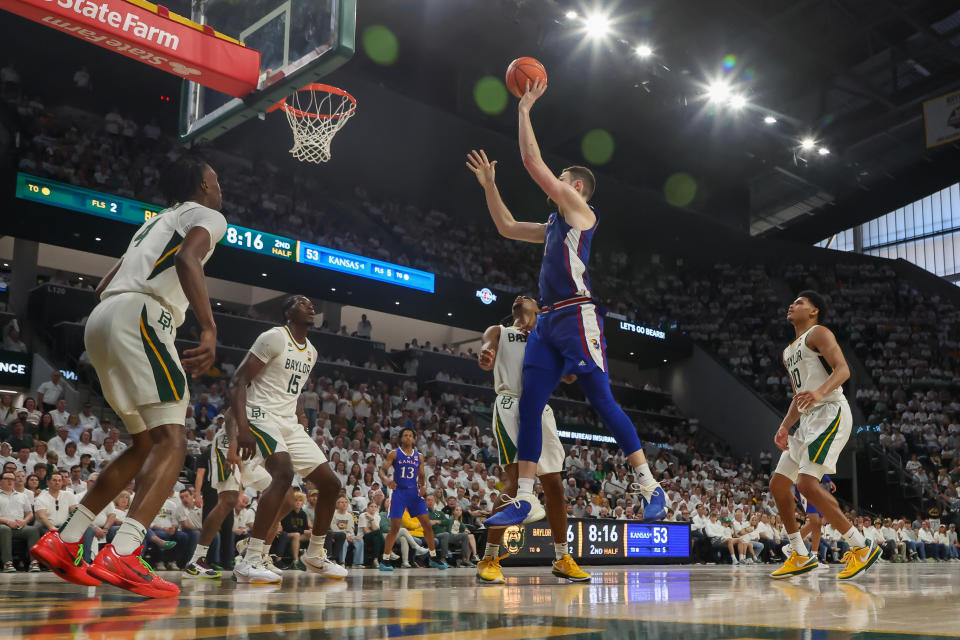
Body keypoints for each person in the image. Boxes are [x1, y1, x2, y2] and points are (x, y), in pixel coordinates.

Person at [468, 79, 665, 528]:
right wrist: (489, 186)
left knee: (601, 399)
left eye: (561, 179)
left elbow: (533, 161)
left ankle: (650, 484)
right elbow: (507, 227)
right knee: (530, 405)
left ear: (575, 185)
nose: (553, 182)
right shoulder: (554, 222)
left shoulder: (580, 213)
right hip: (548, 321)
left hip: (578, 313)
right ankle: (524, 497)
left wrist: (524, 111)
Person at [30, 155, 226, 598]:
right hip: (141, 316)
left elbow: (102, 286)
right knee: (174, 440)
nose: (219, 187)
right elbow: (188, 260)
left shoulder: (152, 224)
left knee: (144, 445)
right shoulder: (209, 216)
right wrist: (209, 327)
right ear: (201, 185)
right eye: (215, 180)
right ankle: (126, 551)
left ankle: (65, 539)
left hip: (101, 319)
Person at [229, 295, 345, 583]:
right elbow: (238, 381)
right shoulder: (273, 338)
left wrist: (300, 413)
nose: (311, 305)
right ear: (288, 312)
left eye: (311, 303)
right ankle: (251, 558)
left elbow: (292, 389)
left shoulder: (312, 352)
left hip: (289, 423)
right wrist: (242, 428)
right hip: (260, 413)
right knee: (283, 472)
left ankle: (315, 554)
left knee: (331, 484)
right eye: (302, 303)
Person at [474, 296, 589, 583]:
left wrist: (568, 352)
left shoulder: (546, 339)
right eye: (518, 298)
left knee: (555, 487)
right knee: (513, 482)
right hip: (511, 404)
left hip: (541, 409)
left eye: (528, 296)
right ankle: (488, 558)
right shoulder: (499, 331)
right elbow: (486, 352)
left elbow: (570, 378)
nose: (520, 297)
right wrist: (486, 356)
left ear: (539, 310)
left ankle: (562, 557)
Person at [768, 292, 880, 580]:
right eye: (791, 302)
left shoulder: (819, 332)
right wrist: (784, 426)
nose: (792, 305)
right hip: (807, 420)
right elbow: (799, 396)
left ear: (815, 311)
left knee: (806, 483)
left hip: (830, 411)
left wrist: (819, 392)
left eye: (800, 302)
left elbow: (843, 370)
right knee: (779, 485)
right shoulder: (788, 351)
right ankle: (800, 553)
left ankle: (861, 546)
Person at [181, 409, 290, 580]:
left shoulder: (281, 399)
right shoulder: (252, 385)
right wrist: (233, 447)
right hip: (229, 443)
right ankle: (195, 561)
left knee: (285, 495)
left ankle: (257, 552)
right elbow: (231, 413)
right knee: (228, 500)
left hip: (252, 446)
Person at [377, 428, 447, 571]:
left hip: (414, 492)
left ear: (414, 439)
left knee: (427, 524)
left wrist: (424, 486)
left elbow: (421, 475)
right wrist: (386, 479)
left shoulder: (419, 456)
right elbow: (382, 470)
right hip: (399, 492)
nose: (408, 438)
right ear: (401, 438)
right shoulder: (394, 453)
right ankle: (384, 560)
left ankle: (433, 558)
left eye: (410, 436)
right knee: (395, 527)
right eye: (405, 435)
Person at [0, 470, 41, 572]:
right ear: (1, 481)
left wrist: (24, 521)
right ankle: (7, 563)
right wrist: (8, 522)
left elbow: (30, 513)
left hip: (19, 526)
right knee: (5, 529)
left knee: (33, 530)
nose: (10, 481)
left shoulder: (22, 495)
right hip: (2, 526)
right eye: (7, 479)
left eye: (12, 479)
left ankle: (34, 562)